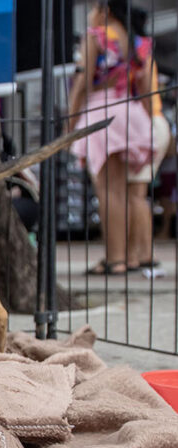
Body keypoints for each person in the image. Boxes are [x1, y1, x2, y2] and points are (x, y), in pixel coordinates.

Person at [68, 1, 155, 275]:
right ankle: (128, 257)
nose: (91, 13)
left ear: (105, 9)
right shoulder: (137, 41)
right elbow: (143, 85)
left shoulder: (97, 36)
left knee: (107, 190)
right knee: (123, 191)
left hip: (101, 111)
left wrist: (70, 120)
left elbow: (83, 82)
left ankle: (113, 259)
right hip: (130, 110)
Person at [122, 6, 171, 272]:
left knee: (137, 195)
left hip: (149, 123)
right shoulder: (143, 51)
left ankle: (144, 255)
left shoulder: (139, 53)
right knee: (135, 194)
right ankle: (135, 255)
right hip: (154, 123)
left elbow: (142, 93)